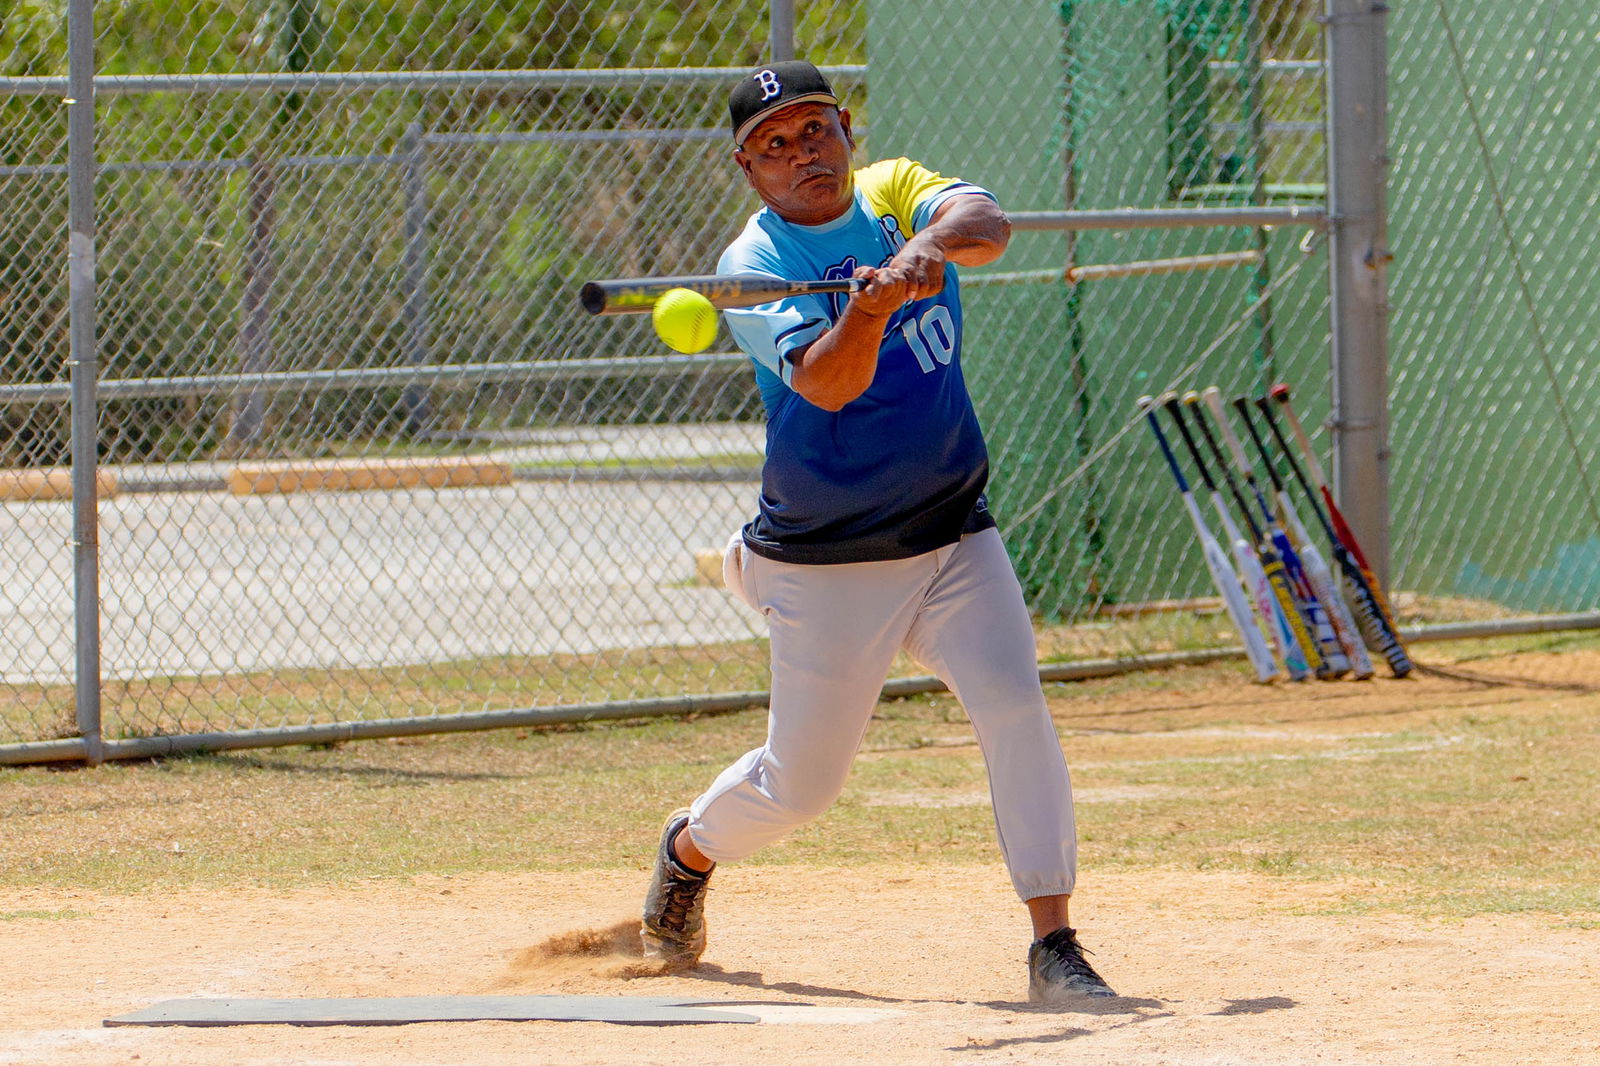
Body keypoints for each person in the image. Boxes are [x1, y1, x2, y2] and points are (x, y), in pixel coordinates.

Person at [640, 60, 1114, 1004]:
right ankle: (688, 849)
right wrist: (868, 304)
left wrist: (921, 250)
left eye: (814, 129)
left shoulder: (895, 191)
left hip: (951, 530)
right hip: (827, 558)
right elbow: (826, 382)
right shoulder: (754, 266)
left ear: (846, 129)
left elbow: (987, 224)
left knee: (1017, 708)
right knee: (800, 788)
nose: (800, 152)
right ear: (749, 168)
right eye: (773, 145)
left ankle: (1054, 946)